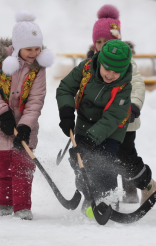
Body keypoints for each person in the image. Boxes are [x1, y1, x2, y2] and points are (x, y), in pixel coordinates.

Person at [0, 10, 54, 220]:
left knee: (23, 166)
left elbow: (35, 100)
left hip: (24, 126)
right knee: (4, 167)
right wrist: (2, 113)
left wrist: (25, 125)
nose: (33, 53)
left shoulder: (38, 69)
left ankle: (22, 206)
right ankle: (5, 201)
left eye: (37, 48)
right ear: (17, 47)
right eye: (28, 49)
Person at [86, 4, 156, 205]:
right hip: (100, 123)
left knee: (125, 157)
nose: (102, 45)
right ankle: (110, 194)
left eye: (107, 41)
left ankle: (147, 185)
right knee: (104, 158)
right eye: (98, 42)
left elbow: (137, 84)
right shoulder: (91, 64)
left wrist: (134, 106)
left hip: (124, 121)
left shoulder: (126, 63)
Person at [56, 39, 133, 214]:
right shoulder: (86, 69)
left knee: (103, 161)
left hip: (111, 130)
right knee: (80, 160)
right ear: (100, 62)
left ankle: (108, 200)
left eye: (116, 72)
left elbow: (114, 116)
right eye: (107, 69)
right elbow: (66, 87)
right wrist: (66, 112)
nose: (111, 75)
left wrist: (92, 139)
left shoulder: (124, 87)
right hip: (84, 123)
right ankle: (90, 195)